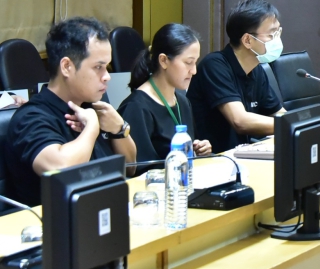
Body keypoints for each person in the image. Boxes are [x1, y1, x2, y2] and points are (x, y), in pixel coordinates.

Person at [4, 18, 137, 206]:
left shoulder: (91, 106)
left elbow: (130, 167)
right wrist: (92, 128)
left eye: (107, 67)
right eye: (98, 67)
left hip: (101, 210)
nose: (107, 76)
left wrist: (120, 129)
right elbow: (61, 171)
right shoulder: (31, 117)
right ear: (67, 67)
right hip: (52, 221)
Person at [187, 0, 285, 153]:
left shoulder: (256, 69)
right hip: (215, 158)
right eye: (272, 34)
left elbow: (279, 113)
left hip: (243, 154)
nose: (277, 39)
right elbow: (240, 121)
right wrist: (288, 125)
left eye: (278, 32)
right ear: (247, 40)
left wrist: (302, 122)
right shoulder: (215, 65)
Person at [117, 24, 212, 175]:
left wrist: (198, 150)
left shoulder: (182, 102)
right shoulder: (136, 107)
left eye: (195, 62)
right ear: (163, 60)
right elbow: (138, 169)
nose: (194, 71)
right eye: (188, 62)